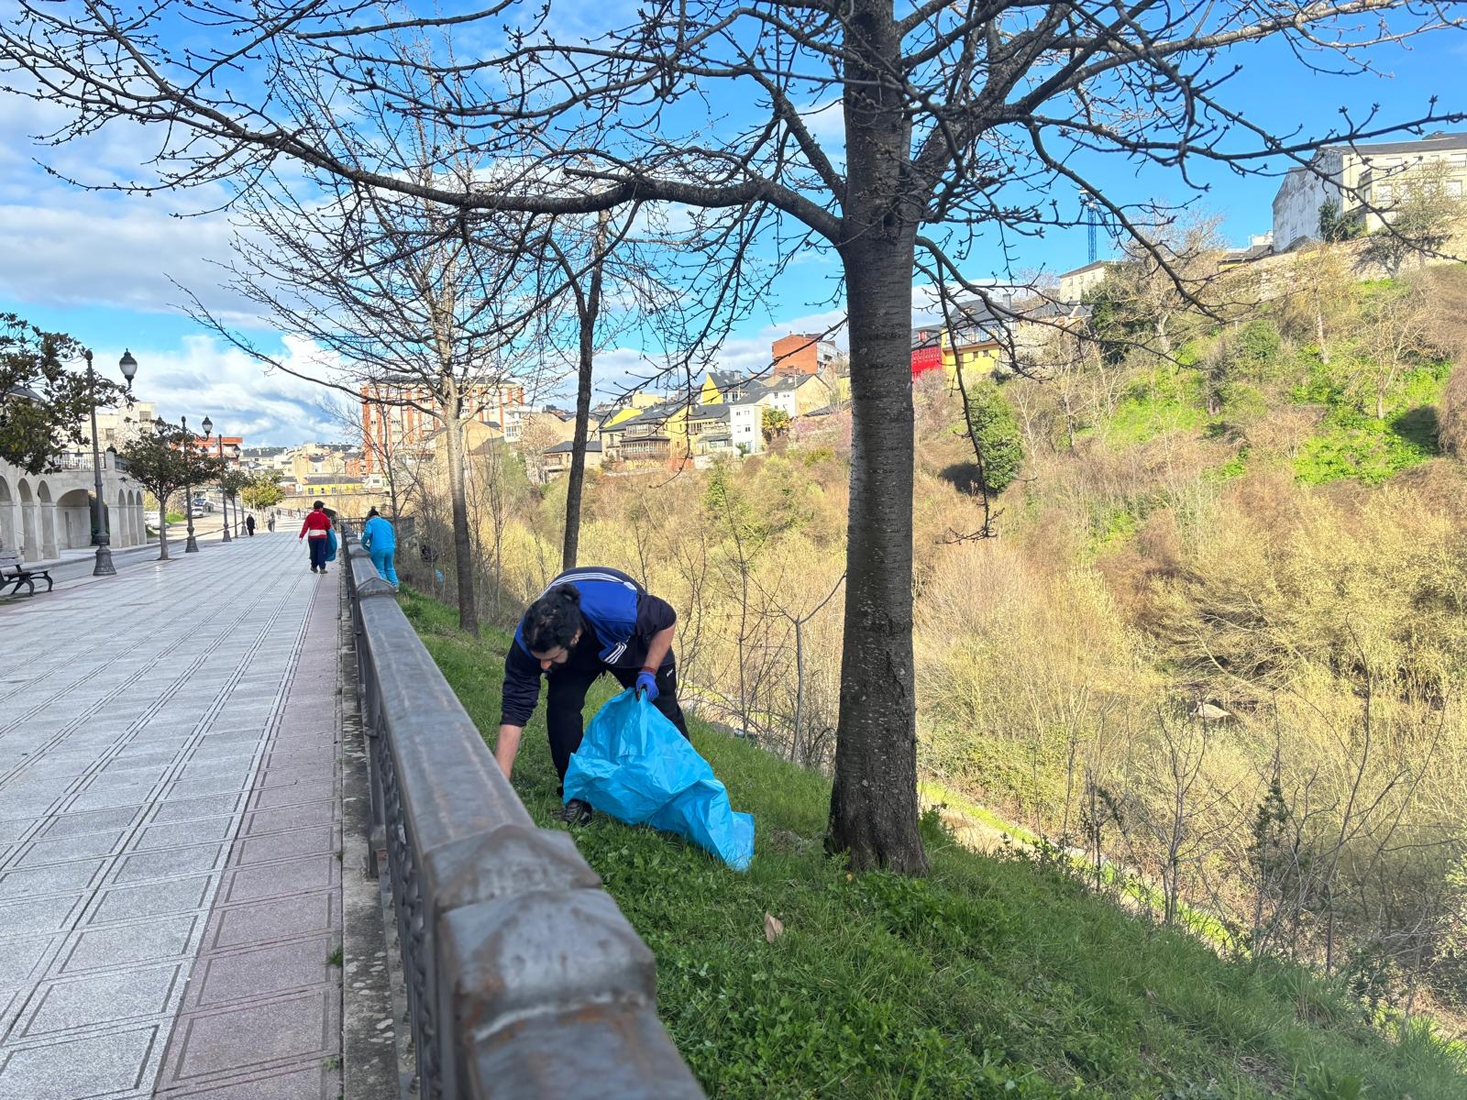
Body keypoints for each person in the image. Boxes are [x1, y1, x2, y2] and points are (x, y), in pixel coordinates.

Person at [496, 566, 689, 825]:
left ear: (574, 638)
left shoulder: (620, 613)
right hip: (575, 650)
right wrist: (499, 782)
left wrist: (649, 671)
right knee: (562, 707)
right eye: (539, 659)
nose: (543, 666)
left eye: (549, 658)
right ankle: (577, 797)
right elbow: (514, 710)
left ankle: (685, 794)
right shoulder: (531, 637)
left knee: (663, 711)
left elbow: (667, 618)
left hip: (628, 639)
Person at [360, 507, 398, 587]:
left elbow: (367, 533)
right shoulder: (387, 523)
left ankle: (384, 587)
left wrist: (362, 543)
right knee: (390, 567)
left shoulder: (370, 522)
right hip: (390, 548)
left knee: (380, 569)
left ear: (370, 517)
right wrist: (393, 545)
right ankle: (395, 585)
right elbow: (393, 536)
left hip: (378, 549)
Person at [298, 500, 332, 573]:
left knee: (313, 552)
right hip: (322, 537)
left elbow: (305, 526)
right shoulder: (323, 516)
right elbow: (328, 526)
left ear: (314, 508)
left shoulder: (309, 516)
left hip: (312, 536)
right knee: (321, 551)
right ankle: (322, 568)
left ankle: (314, 566)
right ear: (321, 508)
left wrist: (301, 536)